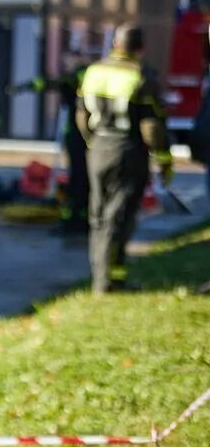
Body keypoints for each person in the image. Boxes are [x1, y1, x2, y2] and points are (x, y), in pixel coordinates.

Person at [76, 25, 173, 294]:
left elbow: (81, 116)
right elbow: (151, 126)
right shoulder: (140, 75)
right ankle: (106, 283)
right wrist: (164, 159)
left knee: (98, 216)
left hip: (97, 148)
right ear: (140, 49)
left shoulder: (93, 72)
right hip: (127, 150)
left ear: (114, 44)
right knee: (118, 217)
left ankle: (107, 277)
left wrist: (92, 143)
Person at [24, 51, 90, 235]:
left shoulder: (82, 75)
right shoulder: (72, 79)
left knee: (80, 177)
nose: (66, 64)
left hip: (82, 136)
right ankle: (76, 217)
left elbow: (58, 82)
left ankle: (77, 219)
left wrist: (37, 84)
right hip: (77, 134)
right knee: (78, 176)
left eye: (68, 61)